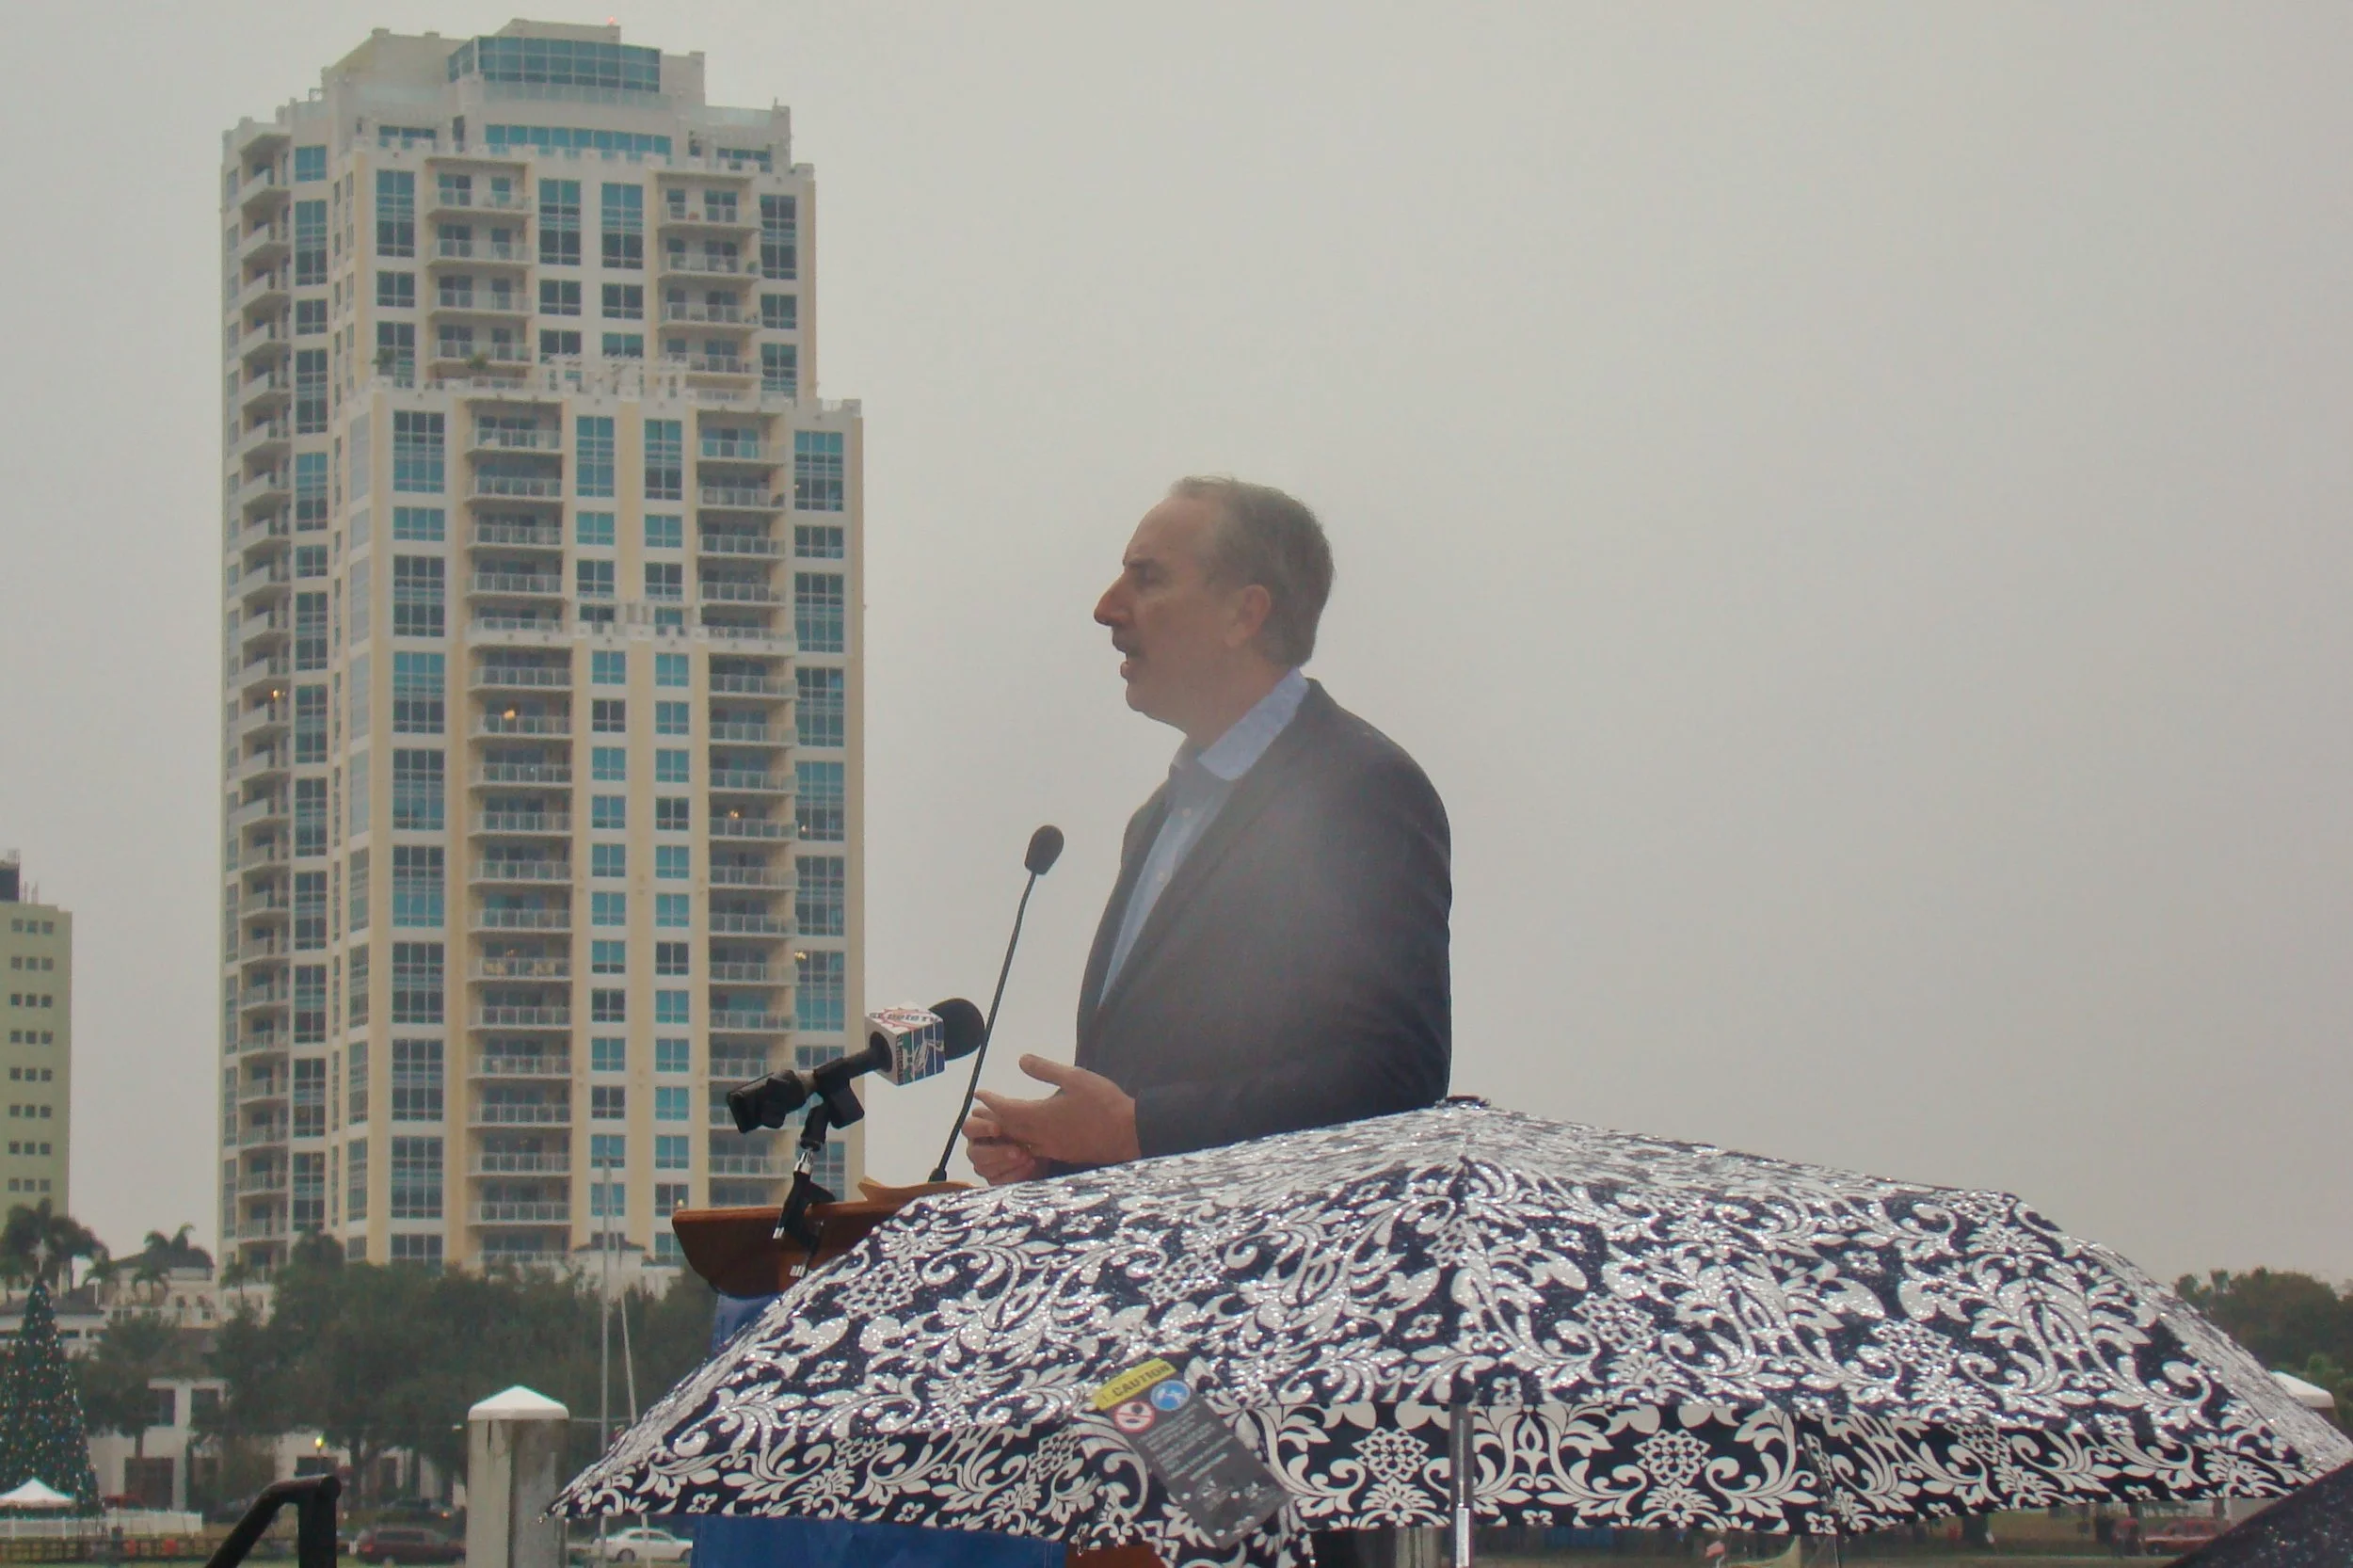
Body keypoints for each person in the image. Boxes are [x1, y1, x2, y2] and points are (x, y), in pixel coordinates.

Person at [963, 476, 1452, 1182]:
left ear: (1243, 614)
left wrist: (1137, 1130)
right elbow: (1152, 1091)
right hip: (1145, 1267)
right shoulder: (1155, 821)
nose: (1107, 608)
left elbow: (1394, 1078)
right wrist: (1061, 1154)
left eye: (1148, 578)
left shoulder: (1359, 789)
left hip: (1275, 1278)